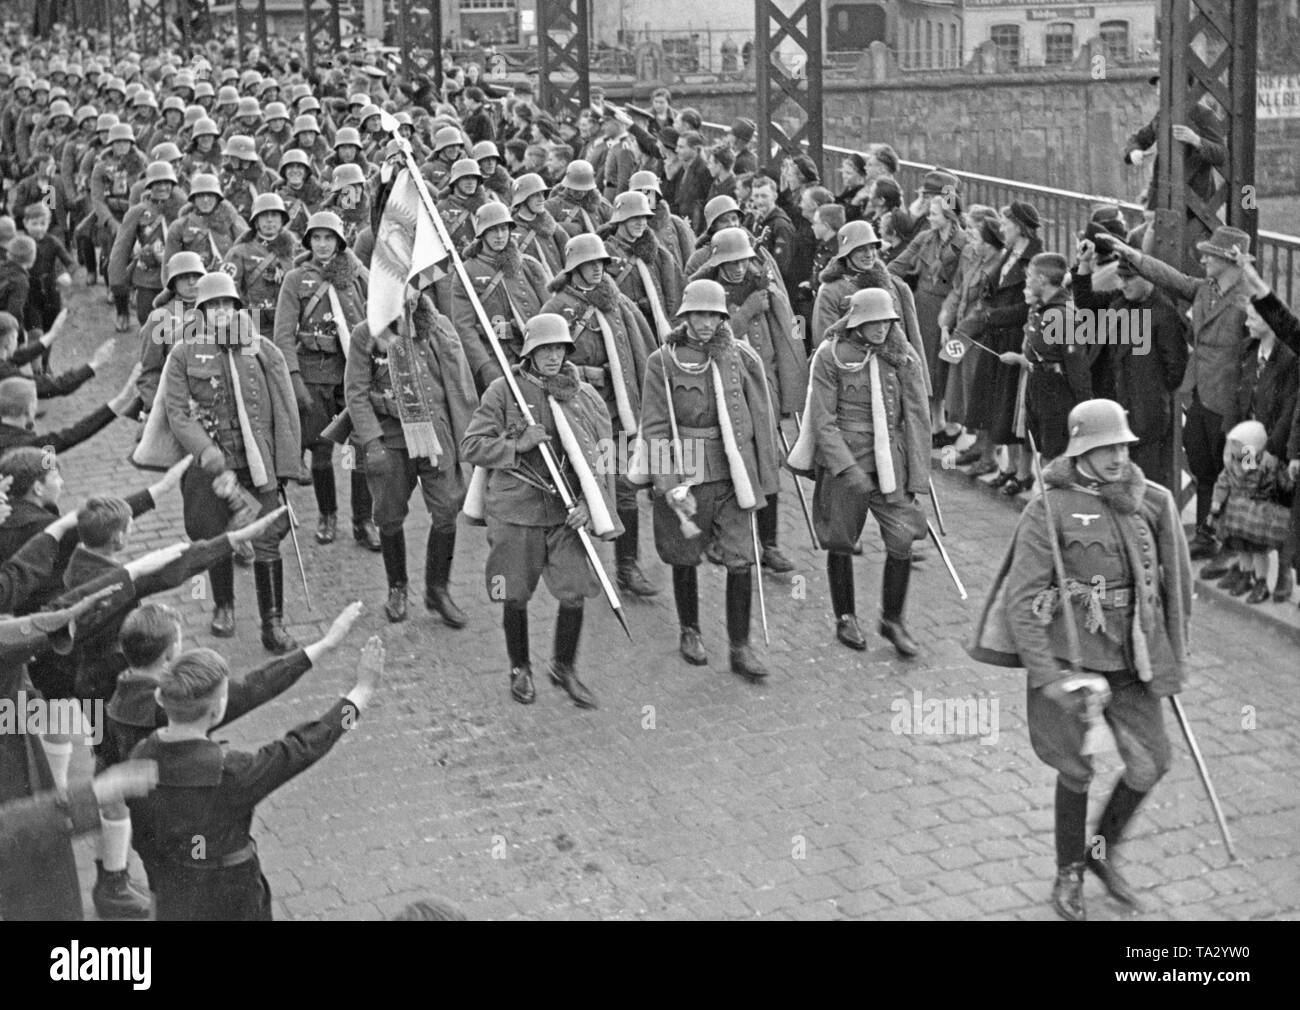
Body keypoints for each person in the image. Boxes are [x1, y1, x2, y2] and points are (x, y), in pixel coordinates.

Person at [969, 398, 1192, 921]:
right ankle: (1069, 871)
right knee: (1075, 769)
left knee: (1150, 761)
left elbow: (1174, 587)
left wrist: (1171, 657)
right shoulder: (1049, 507)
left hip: (1131, 657)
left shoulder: (1151, 501)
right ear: (1080, 450)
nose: (1117, 456)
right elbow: (1022, 601)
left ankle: (1100, 854)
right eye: (1104, 447)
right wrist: (1046, 675)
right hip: (1071, 660)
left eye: (1121, 445)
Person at [126, 612, 383, 920]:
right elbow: (307, 745)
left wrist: (159, 894)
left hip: (175, 893)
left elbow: (144, 840)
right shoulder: (233, 773)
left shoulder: (140, 755)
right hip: (232, 896)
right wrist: (362, 692)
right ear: (218, 707)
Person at [460, 313, 621, 709]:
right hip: (515, 512)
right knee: (514, 595)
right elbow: (472, 446)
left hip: (565, 514)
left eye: (559, 349)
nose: (552, 357)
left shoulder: (582, 395)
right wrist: (518, 445)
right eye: (544, 349)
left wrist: (590, 502)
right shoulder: (504, 392)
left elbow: (603, 456)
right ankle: (520, 667)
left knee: (575, 593)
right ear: (529, 352)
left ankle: (563, 667)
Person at [136, 272, 302, 650]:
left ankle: (272, 623)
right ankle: (223, 605)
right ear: (202, 312)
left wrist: (284, 465)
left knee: (268, 539)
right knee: (212, 536)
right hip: (207, 466)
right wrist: (207, 453)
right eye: (213, 306)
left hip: (256, 463)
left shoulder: (259, 348)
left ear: (238, 307)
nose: (221, 312)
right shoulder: (182, 352)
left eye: (227, 304)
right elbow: (178, 412)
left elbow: (282, 408)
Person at [630, 280, 781, 681]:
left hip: (731, 472)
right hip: (685, 470)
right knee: (684, 553)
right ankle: (690, 629)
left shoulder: (737, 356)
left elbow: (759, 416)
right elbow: (656, 427)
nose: (706, 323)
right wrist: (668, 483)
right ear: (685, 316)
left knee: (739, 557)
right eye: (699, 314)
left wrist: (763, 474)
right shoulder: (662, 362)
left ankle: (740, 645)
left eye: (714, 315)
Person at [787, 287, 929, 655]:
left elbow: (917, 416)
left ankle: (892, 620)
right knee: (841, 539)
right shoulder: (830, 356)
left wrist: (917, 475)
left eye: (887, 321)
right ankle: (845, 616)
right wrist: (846, 468)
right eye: (873, 322)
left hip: (891, 464)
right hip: (845, 464)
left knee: (901, 538)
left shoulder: (902, 356)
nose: (882, 329)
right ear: (856, 322)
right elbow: (822, 419)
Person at [1102, 226, 1255, 560]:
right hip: (1200, 393)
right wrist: (1136, 257)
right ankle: (1205, 534)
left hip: (1228, 399)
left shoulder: (1247, 298)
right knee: (1203, 465)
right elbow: (1173, 279)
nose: (1203, 259)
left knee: (1231, 471)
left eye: (1209, 255)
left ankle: (1231, 545)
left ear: (1229, 260)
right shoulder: (1206, 289)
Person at [346, 290, 477, 625]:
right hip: (390, 437)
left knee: (447, 508)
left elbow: (458, 383)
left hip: (435, 433)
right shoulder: (367, 332)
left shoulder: (437, 326)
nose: (408, 298)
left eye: (414, 289)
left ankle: (438, 589)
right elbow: (356, 393)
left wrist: (469, 440)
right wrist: (372, 442)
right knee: (389, 515)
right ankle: (398, 587)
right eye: (399, 288)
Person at [541, 234, 656, 597]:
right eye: (589, 264)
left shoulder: (616, 304)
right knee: (576, 491)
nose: (596, 269)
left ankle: (627, 567)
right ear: (574, 267)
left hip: (617, 411)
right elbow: (543, 360)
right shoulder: (556, 309)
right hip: (578, 412)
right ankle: (579, 565)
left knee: (624, 487)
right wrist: (585, 377)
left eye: (600, 263)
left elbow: (640, 350)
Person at [690, 227, 807, 574]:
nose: (739, 268)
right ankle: (718, 537)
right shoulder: (710, 294)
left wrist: (787, 389)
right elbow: (712, 338)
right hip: (728, 389)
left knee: (768, 464)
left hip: (764, 390)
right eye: (731, 262)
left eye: (743, 260)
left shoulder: (763, 285)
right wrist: (747, 311)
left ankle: (768, 543)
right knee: (726, 467)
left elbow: (786, 336)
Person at [273, 210, 379, 552]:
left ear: (339, 241)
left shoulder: (356, 274)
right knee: (321, 452)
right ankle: (327, 514)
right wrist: (295, 380)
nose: (322, 244)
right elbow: (283, 335)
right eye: (316, 238)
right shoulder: (296, 279)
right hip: (313, 373)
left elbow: (375, 316)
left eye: (328, 238)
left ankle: (362, 520)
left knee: (360, 448)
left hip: (351, 375)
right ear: (308, 242)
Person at [1071, 246, 1189, 491]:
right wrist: (1083, 265)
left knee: (1142, 485)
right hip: (1114, 405)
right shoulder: (1119, 300)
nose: (1123, 284)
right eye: (1121, 278)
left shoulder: (1164, 313)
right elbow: (1085, 303)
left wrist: (1149, 390)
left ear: (1148, 278)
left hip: (1143, 414)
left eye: (1130, 278)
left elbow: (1175, 368)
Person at [958, 200, 1044, 496]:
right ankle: (1008, 466)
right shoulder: (1011, 253)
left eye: (1006, 224)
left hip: (1013, 336)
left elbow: (1029, 303)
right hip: (997, 335)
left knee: (1012, 404)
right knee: (998, 403)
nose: (1001, 229)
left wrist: (994, 316)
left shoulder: (1034, 259)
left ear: (1019, 227)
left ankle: (1021, 471)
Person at [888, 178, 967, 440]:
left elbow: (961, 285)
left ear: (948, 216)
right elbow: (899, 264)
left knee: (943, 365)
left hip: (946, 309)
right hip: (922, 305)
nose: (930, 218)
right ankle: (935, 422)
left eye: (934, 214)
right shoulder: (925, 238)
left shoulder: (964, 243)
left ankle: (948, 423)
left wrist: (948, 314)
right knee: (926, 363)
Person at [1002, 252, 1091, 463]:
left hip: (1056, 393)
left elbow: (1077, 369)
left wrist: (1084, 409)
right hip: (1038, 386)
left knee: (1054, 457)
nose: (1027, 281)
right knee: (1041, 450)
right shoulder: (1043, 309)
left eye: (1030, 276)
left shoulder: (1065, 316)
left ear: (1042, 280)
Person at [108, 160, 186, 325]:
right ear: (150, 186)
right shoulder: (138, 212)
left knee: (178, 327)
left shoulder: (183, 210)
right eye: (157, 183)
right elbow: (121, 248)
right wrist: (117, 283)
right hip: (148, 278)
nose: (163, 187)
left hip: (178, 278)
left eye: (167, 183)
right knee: (148, 321)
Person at [510, 173, 566, 281]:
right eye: (535, 195)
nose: (542, 199)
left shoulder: (552, 227)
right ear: (523, 199)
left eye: (542, 194)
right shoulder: (509, 230)